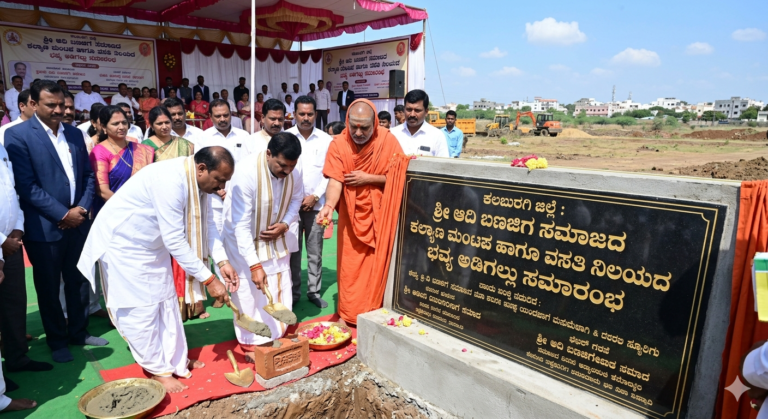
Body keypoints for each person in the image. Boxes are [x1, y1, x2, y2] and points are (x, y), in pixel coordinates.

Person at [77, 146, 239, 394]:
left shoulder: (198, 181)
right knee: (142, 310)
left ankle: (176, 362)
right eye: (219, 180)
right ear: (202, 168)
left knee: (166, 304)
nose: (222, 187)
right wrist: (209, 280)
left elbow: (208, 226)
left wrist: (222, 262)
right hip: (125, 246)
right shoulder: (170, 181)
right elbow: (175, 240)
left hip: (153, 245)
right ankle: (158, 370)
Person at [5, 80, 107, 363]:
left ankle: (79, 331)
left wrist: (82, 210)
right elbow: (25, 185)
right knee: (49, 287)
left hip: (79, 223)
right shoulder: (17, 136)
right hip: (44, 228)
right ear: (34, 104)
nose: (59, 110)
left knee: (78, 281)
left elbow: (88, 176)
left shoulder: (75, 134)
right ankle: (57, 341)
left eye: (62, 104)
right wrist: (63, 214)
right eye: (52, 105)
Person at [316, 99, 410, 326]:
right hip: (350, 217)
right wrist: (329, 206)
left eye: (364, 128)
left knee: (378, 266)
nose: (358, 132)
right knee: (350, 267)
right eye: (353, 126)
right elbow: (336, 180)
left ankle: (375, 310)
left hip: (381, 217)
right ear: (347, 121)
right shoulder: (338, 144)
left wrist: (370, 179)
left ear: (375, 124)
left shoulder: (388, 141)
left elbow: (399, 179)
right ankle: (349, 313)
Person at [223, 132, 303, 357]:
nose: (287, 171)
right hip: (243, 240)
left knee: (279, 283)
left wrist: (285, 224)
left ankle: (278, 331)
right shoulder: (246, 173)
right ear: (268, 154)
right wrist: (254, 265)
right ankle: (252, 341)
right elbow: (240, 226)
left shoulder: (294, 171)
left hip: (276, 238)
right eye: (281, 165)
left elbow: (297, 198)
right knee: (249, 291)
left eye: (291, 166)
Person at [0, 117, 53, 393]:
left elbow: (12, 195)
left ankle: (17, 357)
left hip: (12, 241)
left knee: (14, 303)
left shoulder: (2, 149)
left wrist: (17, 231)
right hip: (2, 242)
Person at [142, 106, 205, 320]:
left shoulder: (186, 145)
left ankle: (192, 303)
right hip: (157, 207)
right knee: (163, 255)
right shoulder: (145, 148)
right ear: (151, 125)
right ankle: (168, 307)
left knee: (188, 250)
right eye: (159, 124)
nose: (164, 127)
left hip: (185, 203)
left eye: (167, 122)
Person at [287, 96, 332, 307]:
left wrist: (315, 196)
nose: (306, 118)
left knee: (315, 252)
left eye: (310, 114)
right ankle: (293, 294)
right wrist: (297, 200)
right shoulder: (285, 137)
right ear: (294, 114)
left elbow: (330, 173)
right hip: (291, 208)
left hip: (316, 207)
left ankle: (313, 292)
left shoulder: (326, 140)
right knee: (292, 253)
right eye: (302, 114)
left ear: (316, 114)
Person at [89, 106, 154, 216]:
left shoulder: (140, 148)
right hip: (113, 211)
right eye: (115, 124)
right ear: (104, 127)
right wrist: (128, 208)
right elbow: (103, 191)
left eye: (124, 122)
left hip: (142, 210)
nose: (122, 127)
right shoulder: (99, 151)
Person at [391, 90, 449, 157]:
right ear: (404, 109)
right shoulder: (393, 133)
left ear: (426, 112)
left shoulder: (437, 136)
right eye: (409, 110)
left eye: (417, 110)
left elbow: (443, 165)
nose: (412, 114)